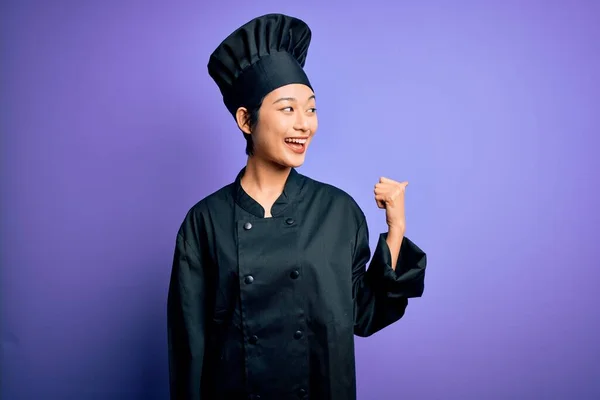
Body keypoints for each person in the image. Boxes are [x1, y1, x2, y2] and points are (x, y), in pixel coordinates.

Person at [167, 13, 427, 400]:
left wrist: (396, 229)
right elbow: (189, 347)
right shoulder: (205, 222)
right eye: (288, 109)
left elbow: (366, 314)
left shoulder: (337, 212)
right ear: (246, 120)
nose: (306, 124)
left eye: (311, 109)